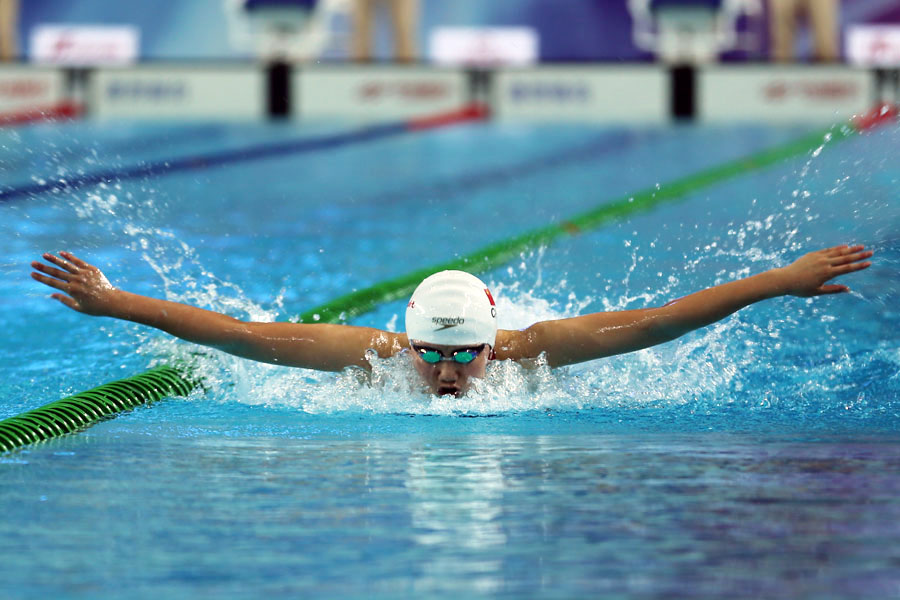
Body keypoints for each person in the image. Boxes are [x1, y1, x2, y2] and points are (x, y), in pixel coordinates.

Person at [31, 245, 872, 397]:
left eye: (462, 356)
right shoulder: (376, 357)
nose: (442, 374)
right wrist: (116, 303)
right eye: (432, 354)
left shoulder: (528, 351)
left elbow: (656, 324)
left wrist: (778, 281)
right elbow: (247, 339)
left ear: (490, 340)